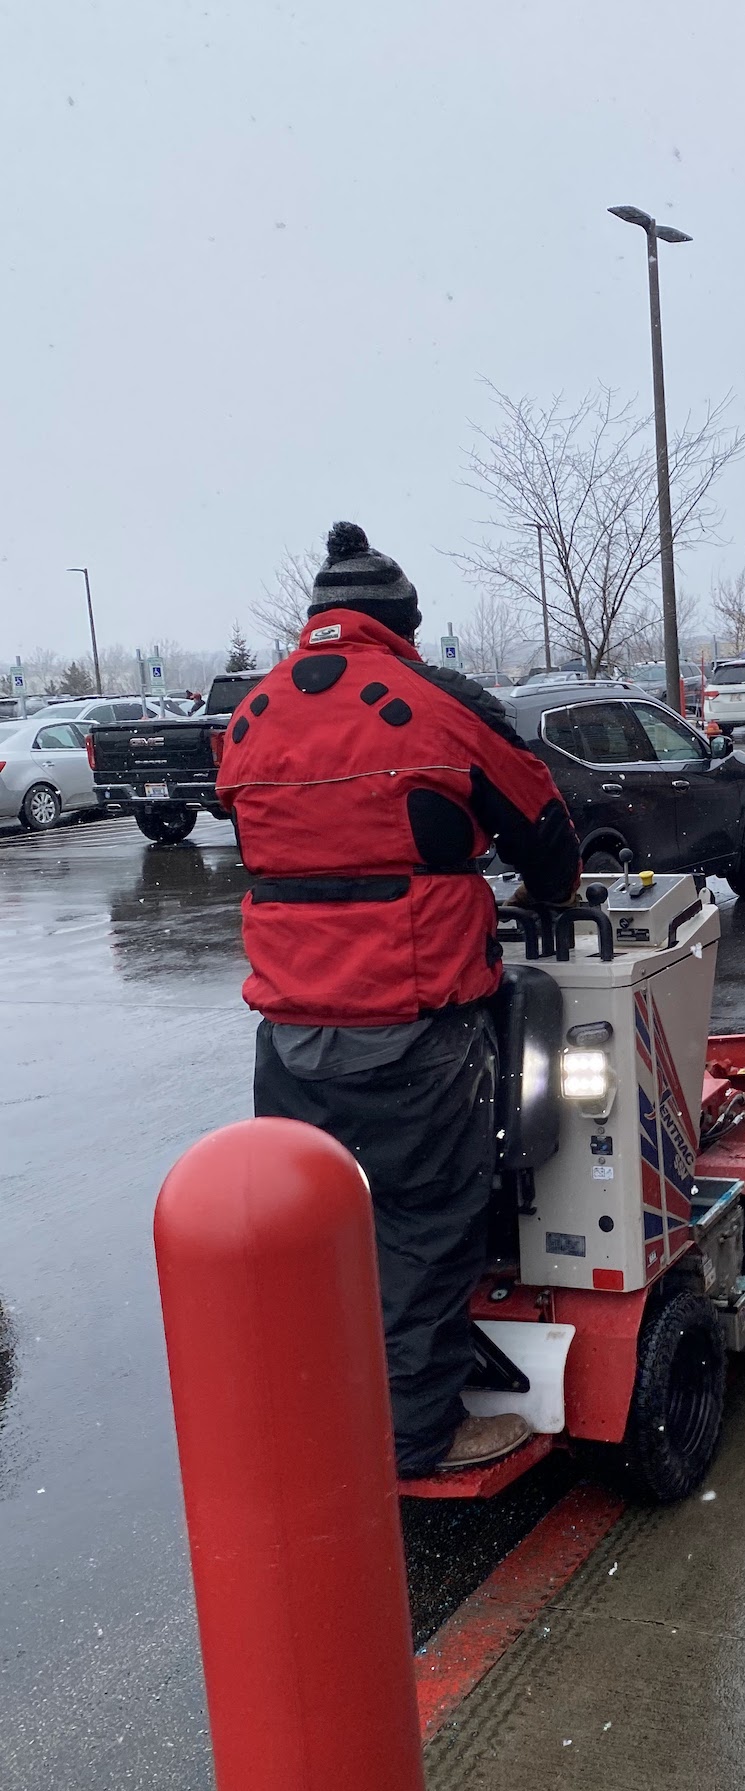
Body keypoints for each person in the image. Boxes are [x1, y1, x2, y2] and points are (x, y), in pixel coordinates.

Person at [217, 523, 582, 1474]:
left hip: (289, 1035)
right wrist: (546, 887)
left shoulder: (251, 717)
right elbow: (542, 827)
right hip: (413, 1026)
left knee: (326, 1225)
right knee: (426, 1219)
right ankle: (416, 1433)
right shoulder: (436, 707)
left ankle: (322, 1401)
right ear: (401, 625)